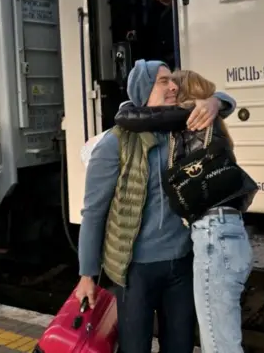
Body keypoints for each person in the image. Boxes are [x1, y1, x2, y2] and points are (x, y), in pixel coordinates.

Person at [75, 59, 236, 353]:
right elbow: (94, 211)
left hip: (182, 263)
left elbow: (227, 101)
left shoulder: (182, 129)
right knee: (135, 347)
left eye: (172, 81)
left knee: (180, 345)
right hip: (134, 269)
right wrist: (87, 275)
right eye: (163, 82)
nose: (173, 86)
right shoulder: (115, 143)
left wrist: (214, 101)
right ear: (144, 89)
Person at [115, 70, 257, 353]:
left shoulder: (189, 119)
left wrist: (213, 101)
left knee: (219, 346)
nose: (170, 92)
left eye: (174, 88)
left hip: (213, 238)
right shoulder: (210, 122)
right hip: (230, 234)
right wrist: (218, 100)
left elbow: (128, 115)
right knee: (223, 341)